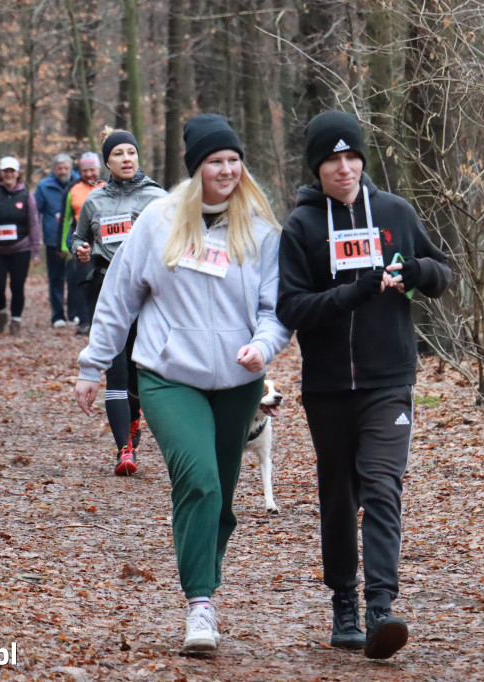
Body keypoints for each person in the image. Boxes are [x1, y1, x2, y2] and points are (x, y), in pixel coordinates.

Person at [75, 114, 289, 654]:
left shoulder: (260, 230)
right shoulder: (159, 221)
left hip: (238, 382)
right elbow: (119, 296)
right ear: (196, 168)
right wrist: (92, 365)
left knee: (219, 498)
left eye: (234, 161)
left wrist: (262, 347)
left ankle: (205, 581)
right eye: (215, 161)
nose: (227, 170)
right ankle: (201, 606)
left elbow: (275, 310)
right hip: (169, 377)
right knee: (199, 483)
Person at [276, 110, 452, 659]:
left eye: (353, 158)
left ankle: (381, 608)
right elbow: (292, 307)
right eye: (334, 160)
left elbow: (442, 271)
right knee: (338, 495)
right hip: (328, 387)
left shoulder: (395, 212)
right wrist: (355, 291)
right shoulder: (301, 228)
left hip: (389, 379)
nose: (346, 168)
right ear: (318, 167)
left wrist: (417, 274)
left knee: (382, 486)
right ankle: (344, 603)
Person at [69, 130, 165, 474]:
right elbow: (78, 236)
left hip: (147, 292)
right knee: (117, 369)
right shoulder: (95, 201)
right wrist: (78, 249)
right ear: (107, 162)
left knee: (141, 370)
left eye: (131, 152)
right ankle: (124, 448)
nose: (126, 158)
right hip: (107, 288)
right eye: (118, 154)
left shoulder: (158, 198)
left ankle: (134, 423)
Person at [0, 156, 42, 335]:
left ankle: (16, 320)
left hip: (21, 248)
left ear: (17, 174)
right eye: (5, 171)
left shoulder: (27, 196)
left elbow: (34, 223)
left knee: (17, 286)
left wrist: (36, 250)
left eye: (11, 171)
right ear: (0, 173)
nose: (8, 175)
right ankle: (1, 313)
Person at [35, 153, 82, 328]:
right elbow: (35, 212)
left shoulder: (79, 183)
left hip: (76, 240)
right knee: (56, 278)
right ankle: (57, 316)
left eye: (66, 168)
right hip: (52, 241)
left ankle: (74, 313)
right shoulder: (43, 186)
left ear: (71, 169)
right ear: (54, 169)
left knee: (74, 278)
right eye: (59, 168)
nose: (63, 171)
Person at [60, 151, 106, 335]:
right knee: (82, 282)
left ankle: (100, 321)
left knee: (101, 283)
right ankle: (84, 321)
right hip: (82, 240)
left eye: (92, 170)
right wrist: (64, 245)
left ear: (99, 168)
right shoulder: (72, 189)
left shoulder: (107, 186)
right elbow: (65, 219)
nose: (89, 174)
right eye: (85, 170)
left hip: (105, 242)